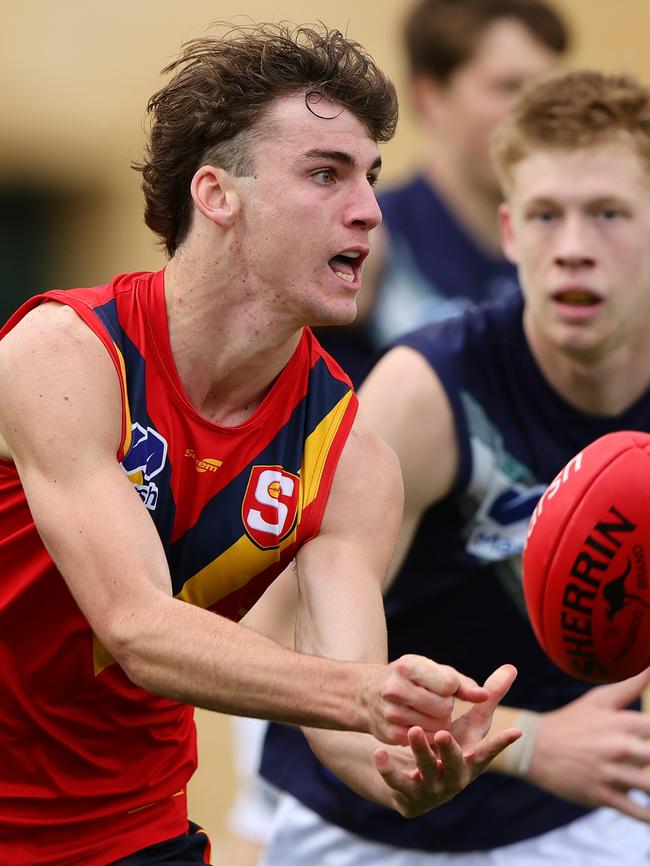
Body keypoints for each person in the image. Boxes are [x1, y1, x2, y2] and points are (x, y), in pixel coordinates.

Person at [0, 23, 522, 866]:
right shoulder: (65, 352)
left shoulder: (351, 457)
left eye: (371, 178)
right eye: (325, 173)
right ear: (216, 194)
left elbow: (348, 711)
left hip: (132, 833)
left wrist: (411, 765)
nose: (369, 209)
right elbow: (137, 627)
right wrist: (362, 695)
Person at [259, 69, 650, 865]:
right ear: (509, 232)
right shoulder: (426, 390)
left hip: (574, 815)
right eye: (546, 216)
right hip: (368, 819)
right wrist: (534, 743)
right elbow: (301, 656)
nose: (572, 248)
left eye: (608, 213)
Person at [316, 0, 569, 385]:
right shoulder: (366, 238)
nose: (540, 114)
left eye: (551, 90)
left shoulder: (579, 242)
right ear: (429, 98)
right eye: (509, 87)